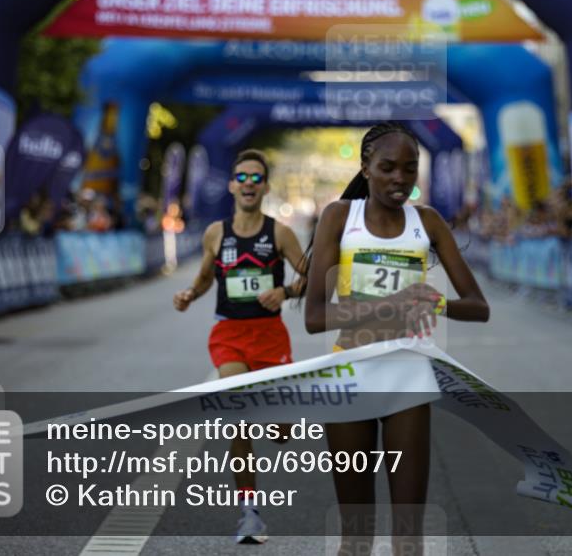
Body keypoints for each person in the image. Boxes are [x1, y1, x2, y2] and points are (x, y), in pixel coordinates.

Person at [303, 122, 489, 556]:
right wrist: (390, 305)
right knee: (356, 535)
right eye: (387, 167)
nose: (399, 179)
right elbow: (314, 317)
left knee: (408, 535)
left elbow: (478, 307)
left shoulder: (427, 222)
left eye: (410, 169)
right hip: (349, 376)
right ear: (366, 167)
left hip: (408, 378)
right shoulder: (338, 217)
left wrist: (435, 304)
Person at [172, 148, 306, 545]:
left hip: (270, 337)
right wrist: (188, 295)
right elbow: (203, 280)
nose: (249, 184)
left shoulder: (279, 233)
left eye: (256, 178)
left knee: (281, 432)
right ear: (232, 185)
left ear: (265, 187)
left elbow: (312, 277)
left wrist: (284, 291)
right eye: (242, 178)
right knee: (238, 411)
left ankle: (283, 409)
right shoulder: (216, 233)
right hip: (229, 335)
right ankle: (250, 513)